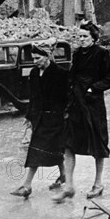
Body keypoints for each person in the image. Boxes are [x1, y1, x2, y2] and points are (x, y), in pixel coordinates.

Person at [53, 22, 110, 203]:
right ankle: (69, 186)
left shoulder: (103, 54)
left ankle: (98, 184)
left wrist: (93, 89)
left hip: (93, 106)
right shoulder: (77, 54)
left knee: (98, 145)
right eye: (79, 36)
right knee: (68, 144)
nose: (81, 40)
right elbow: (71, 77)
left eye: (84, 37)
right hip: (75, 105)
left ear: (94, 38)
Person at [10, 39, 68, 198]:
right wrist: (29, 117)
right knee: (52, 149)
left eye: (38, 58)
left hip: (55, 119)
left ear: (48, 56)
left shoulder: (61, 74)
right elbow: (33, 97)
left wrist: (64, 115)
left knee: (38, 149)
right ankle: (63, 176)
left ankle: (27, 185)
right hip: (39, 118)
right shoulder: (34, 73)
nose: (34, 62)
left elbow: (66, 98)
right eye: (33, 58)